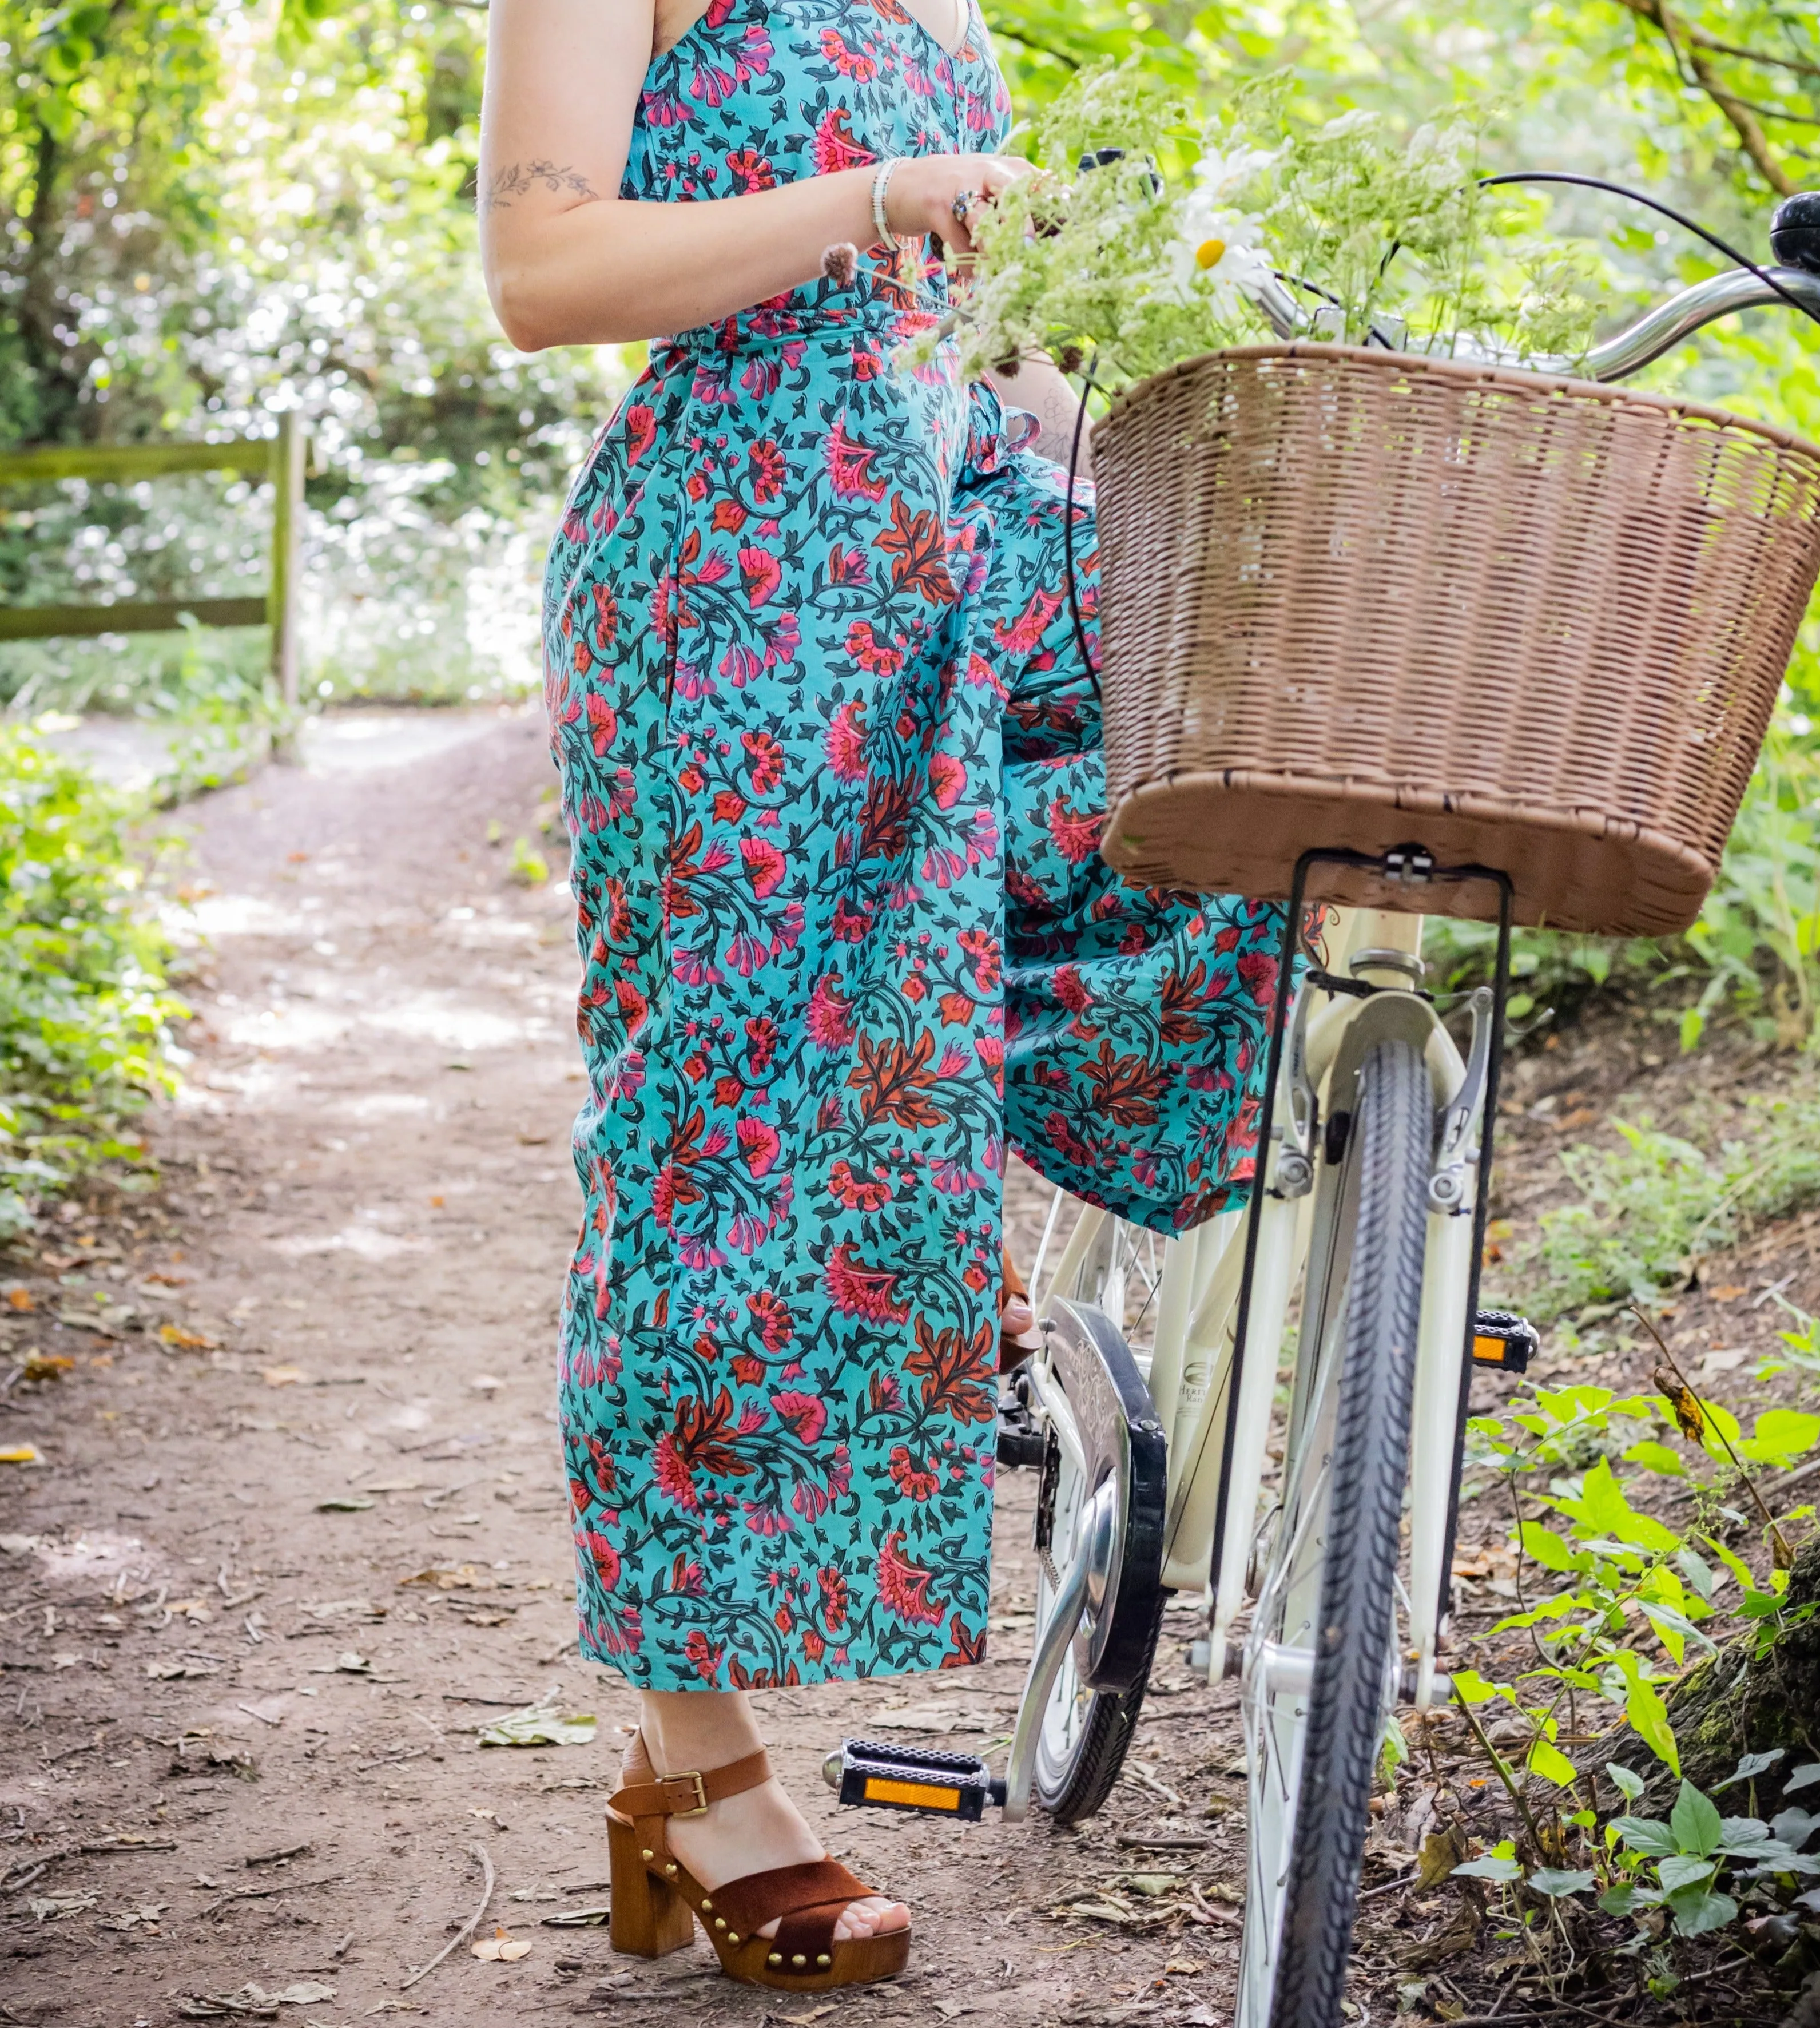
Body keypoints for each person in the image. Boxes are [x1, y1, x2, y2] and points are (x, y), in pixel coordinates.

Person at [479, 0, 1279, 1991]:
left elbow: (983, 329)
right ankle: (702, 1764)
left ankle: (999, 1292)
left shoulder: (953, 5)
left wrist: (1093, 414)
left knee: (1206, 847)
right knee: (715, 1154)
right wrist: (869, 200)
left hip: (959, 556)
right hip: (735, 580)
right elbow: (542, 271)